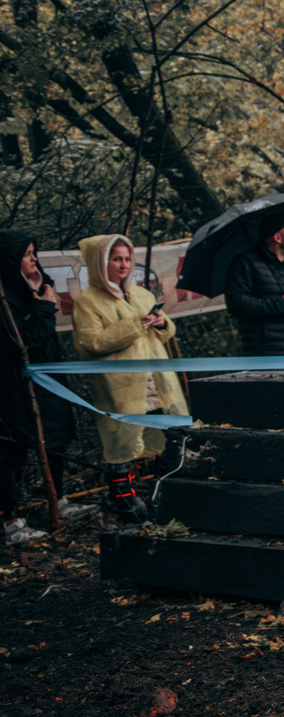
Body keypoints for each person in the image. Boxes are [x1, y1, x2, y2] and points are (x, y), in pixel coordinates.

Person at [71, 234, 188, 520]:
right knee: (121, 441)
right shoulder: (87, 301)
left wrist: (162, 323)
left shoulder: (142, 295)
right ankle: (124, 500)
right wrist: (135, 325)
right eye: (116, 259)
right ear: (100, 263)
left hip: (155, 377)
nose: (123, 265)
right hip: (120, 383)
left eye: (127, 259)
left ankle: (170, 489)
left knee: (174, 432)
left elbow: (164, 333)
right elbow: (92, 342)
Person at [0, 231, 87, 542]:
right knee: (12, 449)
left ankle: (57, 499)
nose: (34, 259)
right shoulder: (5, 299)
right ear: (10, 260)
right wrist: (43, 308)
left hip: (48, 380)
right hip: (16, 385)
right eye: (26, 254)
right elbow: (23, 345)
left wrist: (43, 300)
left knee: (55, 437)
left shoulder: (37, 286)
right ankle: (10, 520)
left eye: (33, 252)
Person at [224, 217, 284, 356]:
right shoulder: (245, 263)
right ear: (277, 237)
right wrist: (280, 304)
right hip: (267, 354)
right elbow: (236, 303)